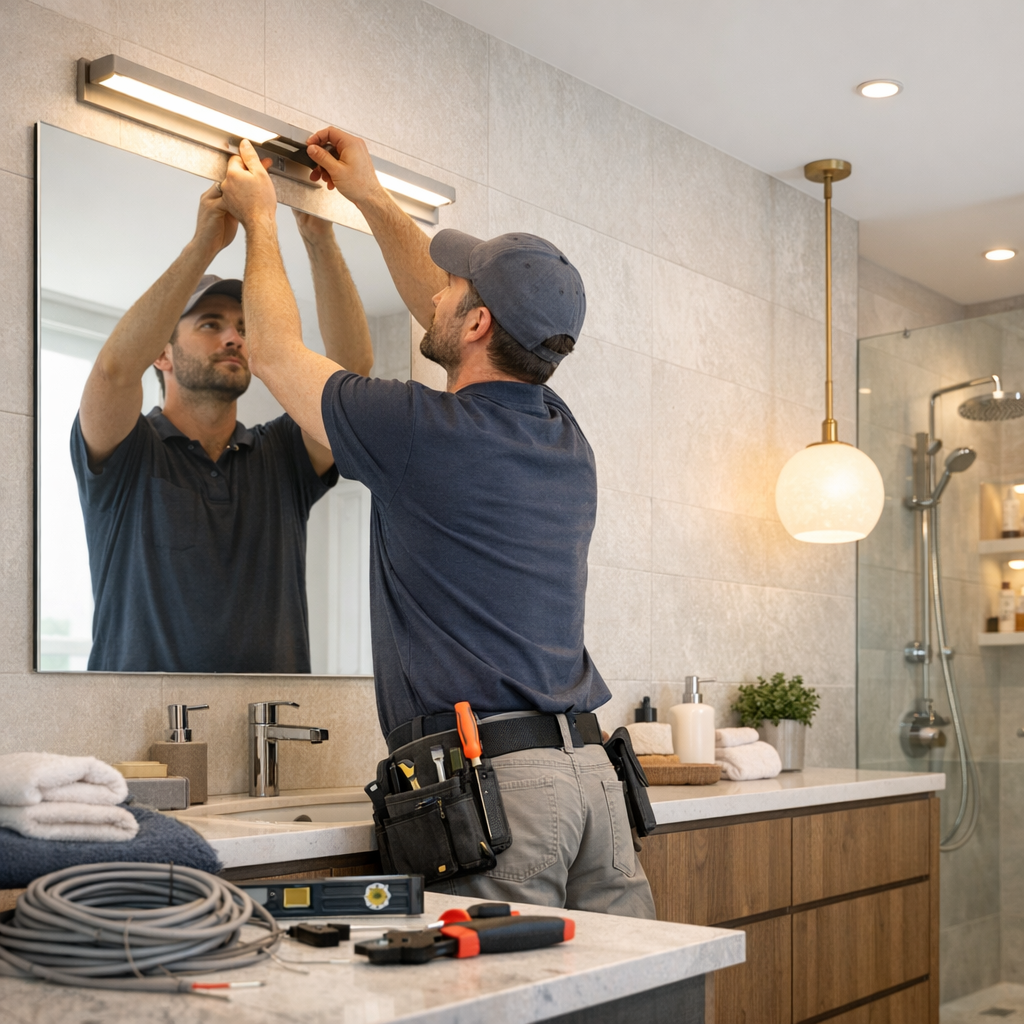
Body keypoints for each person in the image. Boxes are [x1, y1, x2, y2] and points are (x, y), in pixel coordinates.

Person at [219, 134, 655, 918]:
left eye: (457, 287)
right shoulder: (563, 432)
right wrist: (370, 196)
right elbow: (445, 308)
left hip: (504, 800)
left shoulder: (422, 431)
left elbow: (277, 353)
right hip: (593, 783)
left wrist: (261, 220)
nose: (439, 292)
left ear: (480, 321)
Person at [72, 179, 373, 673]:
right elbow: (113, 372)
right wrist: (204, 244)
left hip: (271, 729)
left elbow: (350, 374)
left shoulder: (281, 455)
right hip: (131, 734)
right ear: (162, 354)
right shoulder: (127, 450)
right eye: (210, 323)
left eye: (242, 327)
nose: (234, 337)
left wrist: (320, 238)